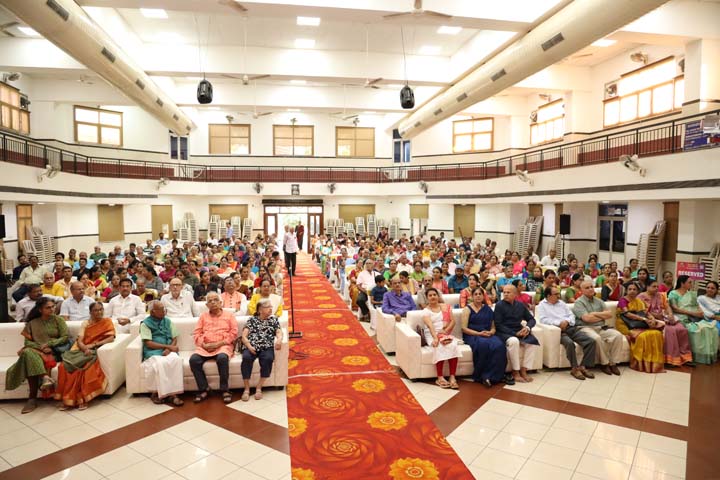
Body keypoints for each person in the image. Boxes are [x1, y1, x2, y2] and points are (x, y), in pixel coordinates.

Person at [6, 297, 69, 414]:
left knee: (27, 354)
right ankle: (45, 377)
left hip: (52, 352)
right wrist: (41, 347)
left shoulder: (58, 320)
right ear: (40, 310)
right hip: (37, 351)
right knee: (27, 353)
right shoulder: (32, 323)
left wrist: (49, 344)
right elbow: (27, 343)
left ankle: (32, 398)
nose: (52, 309)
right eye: (48, 308)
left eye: (53, 307)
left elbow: (65, 337)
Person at [54, 302, 116, 410]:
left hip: (94, 350)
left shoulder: (107, 321)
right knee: (64, 367)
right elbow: (80, 341)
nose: (99, 312)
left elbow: (110, 338)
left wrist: (93, 345)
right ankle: (68, 399)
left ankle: (82, 399)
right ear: (90, 312)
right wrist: (85, 348)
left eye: (101, 309)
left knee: (84, 367)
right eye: (96, 310)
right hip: (81, 350)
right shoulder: (85, 323)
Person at [537, 286, 597, 380]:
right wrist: (559, 323)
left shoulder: (561, 303)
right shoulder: (542, 305)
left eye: (559, 293)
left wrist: (567, 321)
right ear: (548, 295)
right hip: (559, 331)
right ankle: (574, 368)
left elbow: (571, 315)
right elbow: (543, 320)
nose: (559, 296)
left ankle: (583, 366)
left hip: (571, 327)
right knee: (569, 343)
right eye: (556, 294)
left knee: (590, 341)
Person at [190, 292, 238, 404]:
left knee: (222, 358)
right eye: (210, 301)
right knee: (194, 360)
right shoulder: (203, 316)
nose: (213, 302)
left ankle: (225, 390)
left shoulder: (229, 315)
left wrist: (218, 344)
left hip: (223, 345)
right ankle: (204, 389)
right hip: (205, 346)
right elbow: (197, 333)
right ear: (206, 305)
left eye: (215, 300)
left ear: (221, 303)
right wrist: (203, 344)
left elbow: (233, 333)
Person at [573, 281, 624, 375]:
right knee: (596, 338)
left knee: (618, 335)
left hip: (601, 327)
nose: (591, 289)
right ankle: (604, 363)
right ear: (581, 290)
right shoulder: (579, 302)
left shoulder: (599, 301)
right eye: (587, 288)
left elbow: (609, 315)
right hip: (585, 327)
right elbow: (586, 318)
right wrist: (601, 316)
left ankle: (613, 363)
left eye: (591, 286)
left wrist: (594, 314)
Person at [639, 280, 693, 367]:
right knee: (670, 331)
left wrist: (670, 314)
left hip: (664, 317)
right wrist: (656, 316)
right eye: (654, 286)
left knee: (682, 329)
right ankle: (670, 359)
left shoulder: (661, 295)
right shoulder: (641, 297)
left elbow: (667, 307)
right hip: (651, 319)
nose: (656, 289)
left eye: (657, 286)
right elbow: (642, 311)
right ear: (647, 287)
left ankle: (685, 357)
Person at [140, 301, 184, 406]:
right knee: (160, 364)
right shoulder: (145, 324)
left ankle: (174, 394)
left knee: (176, 360)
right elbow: (148, 343)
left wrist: (169, 349)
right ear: (152, 312)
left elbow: (174, 338)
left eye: (164, 309)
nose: (164, 311)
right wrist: (167, 347)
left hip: (167, 350)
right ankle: (157, 393)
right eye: (161, 309)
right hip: (153, 351)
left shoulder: (168, 321)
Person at [461, 287, 506, 387]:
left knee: (499, 345)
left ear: (483, 296)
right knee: (483, 345)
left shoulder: (488, 308)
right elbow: (464, 328)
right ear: (472, 296)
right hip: (472, 335)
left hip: (487, 334)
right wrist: (479, 334)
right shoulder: (467, 309)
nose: (478, 296)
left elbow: (493, 327)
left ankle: (497, 376)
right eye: (475, 294)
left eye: (480, 294)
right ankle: (483, 376)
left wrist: (491, 332)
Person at [616, 282, 665, 373]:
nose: (632, 291)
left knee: (656, 334)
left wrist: (652, 318)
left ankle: (653, 365)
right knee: (642, 337)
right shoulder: (622, 300)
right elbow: (627, 314)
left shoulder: (639, 301)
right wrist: (643, 319)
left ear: (638, 291)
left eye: (634, 289)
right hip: (625, 324)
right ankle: (639, 365)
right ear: (626, 291)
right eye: (630, 289)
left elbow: (646, 312)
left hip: (639, 323)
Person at [494, 285, 540, 383]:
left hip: (518, 330)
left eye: (508, 292)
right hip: (504, 332)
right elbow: (498, 325)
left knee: (532, 342)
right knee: (514, 341)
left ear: (515, 294)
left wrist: (527, 328)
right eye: (504, 292)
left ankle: (524, 370)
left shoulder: (520, 305)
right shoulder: (499, 305)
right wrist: (515, 333)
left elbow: (531, 319)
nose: (505, 294)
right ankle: (515, 371)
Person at [240, 298, 283, 401]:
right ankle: (246, 389)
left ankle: (259, 387)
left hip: (266, 347)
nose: (270, 309)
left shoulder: (273, 320)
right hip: (251, 346)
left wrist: (279, 339)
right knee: (246, 358)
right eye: (268, 307)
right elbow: (244, 336)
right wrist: (249, 346)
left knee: (268, 359)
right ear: (260, 309)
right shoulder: (252, 320)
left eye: (271, 307)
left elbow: (279, 332)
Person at [669, 275, 718, 364]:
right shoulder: (673, 293)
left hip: (694, 317)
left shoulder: (691, 294)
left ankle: (703, 356)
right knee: (695, 329)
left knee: (711, 329)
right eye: (690, 282)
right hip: (681, 316)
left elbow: (697, 306)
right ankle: (690, 355)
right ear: (682, 283)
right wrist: (692, 313)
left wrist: (700, 313)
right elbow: (675, 308)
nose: (692, 284)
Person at [422, 288, 461, 390]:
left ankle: (452, 377)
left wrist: (445, 331)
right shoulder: (426, 311)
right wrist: (436, 338)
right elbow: (430, 326)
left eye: (434, 294)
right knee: (439, 346)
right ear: (427, 298)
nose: (433, 297)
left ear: (438, 296)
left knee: (452, 345)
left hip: (444, 332)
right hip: (432, 334)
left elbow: (453, 321)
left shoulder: (445, 307)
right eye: (430, 295)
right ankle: (439, 377)